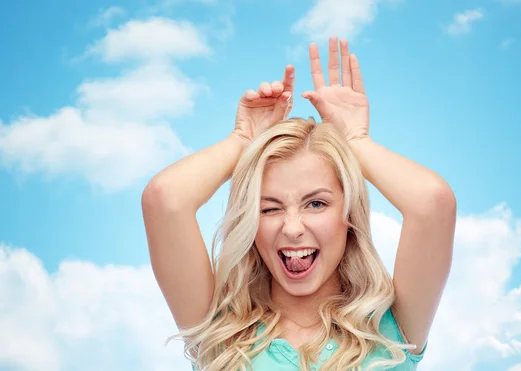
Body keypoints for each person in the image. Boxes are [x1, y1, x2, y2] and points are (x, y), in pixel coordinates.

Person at [142, 36, 456, 371]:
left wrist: (355, 141)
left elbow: (432, 203)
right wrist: (243, 141)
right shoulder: (220, 334)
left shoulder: (390, 331)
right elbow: (166, 198)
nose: (292, 228)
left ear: (348, 213)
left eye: (316, 204)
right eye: (269, 208)